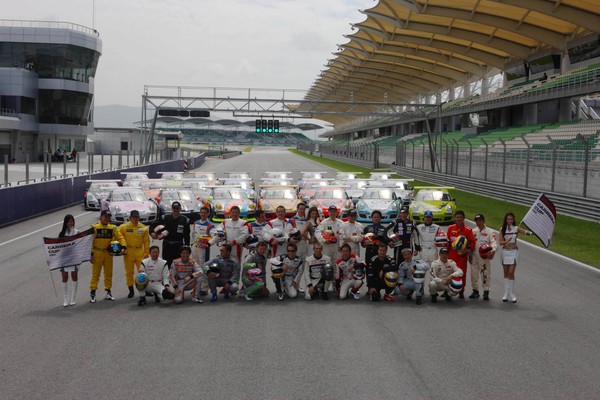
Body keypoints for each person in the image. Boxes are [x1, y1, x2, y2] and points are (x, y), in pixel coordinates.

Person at [89, 210, 127, 303]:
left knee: (108, 274)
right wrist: (91, 254)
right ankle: (93, 293)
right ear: (101, 217)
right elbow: (89, 241)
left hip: (108, 253)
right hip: (97, 253)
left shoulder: (113, 227)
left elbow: (120, 237)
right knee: (95, 274)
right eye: (105, 216)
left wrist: (124, 246)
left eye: (109, 217)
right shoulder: (94, 227)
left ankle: (108, 291)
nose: (107, 218)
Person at [499, 212, 532, 303]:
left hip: (514, 252)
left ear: (513, 220)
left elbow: (526, 232)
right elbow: (500, 242)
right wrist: (506, 241)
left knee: (511, 272)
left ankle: (512, 294)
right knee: (506, 273)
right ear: (506, 220)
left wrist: (533, 232)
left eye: (511, 219)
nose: (509, 221)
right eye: (508, 219)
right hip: (505, 252)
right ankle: (506, 293)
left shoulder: (516, 228)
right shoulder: (502, 229)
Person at [119, 210, 150, 298]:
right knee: (129, 272)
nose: (135, 219)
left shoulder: (143, 228)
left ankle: (146, 289)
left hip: (139, 251)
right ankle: (131, 290)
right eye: (133, 217)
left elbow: (146, 241)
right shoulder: (123, 227)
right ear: (130, 218)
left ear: (139, 218)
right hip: (129, 251)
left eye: (137, 217)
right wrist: (120, 247)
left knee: (143, 271)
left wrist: (147, 252)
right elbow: (117, 236)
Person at [151, 201, 190, 268]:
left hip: (178, 246)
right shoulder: (165, 218)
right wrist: (152, 232)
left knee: (178, 265)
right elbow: (153, 224)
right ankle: (167, 278)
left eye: (177, 208)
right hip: (167, 246)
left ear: (180, 209)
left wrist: (187, 247)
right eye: (174, 208)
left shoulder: (185, 220)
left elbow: (187, 235)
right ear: (172, 209)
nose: (176, 210)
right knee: (166, 265)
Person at [446, 210, 475, 298]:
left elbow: (472, 243)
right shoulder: (450, 228)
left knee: (462, 274)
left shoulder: (468, 230)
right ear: (455, 218)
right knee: (448, 273)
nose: (459, 219)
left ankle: (461, 291)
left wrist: (466, 251)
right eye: (457, 217)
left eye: (461, 217)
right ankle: (447, 290)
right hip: (451, 256)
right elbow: (447, 242)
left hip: (462, 257)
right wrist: (445, 254)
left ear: (464, 218)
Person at [469, 214, 497, 300]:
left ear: (484, 221)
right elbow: (469, 244)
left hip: (484, 257)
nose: (478, 222)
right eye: (477, 221)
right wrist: (469, 255)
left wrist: (493, 250)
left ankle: (486, 291)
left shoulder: (490, 232)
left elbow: (494, 243)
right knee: (473, 274)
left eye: (480, 220)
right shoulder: (473, 231)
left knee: (485, 274)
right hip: (474, 256)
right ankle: (475, 291)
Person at [58, 214, 79, 307]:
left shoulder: (77, 232)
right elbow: (56, 247)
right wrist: (51, 258)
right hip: (64, 259)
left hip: (74, 258)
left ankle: (73, 298)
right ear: (65, 223)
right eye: (69, 221)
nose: (70, 223)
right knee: (64, 277)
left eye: (72, 221)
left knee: (74, 276)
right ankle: (65, 298)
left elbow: (84, 241)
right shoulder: (61, 233)